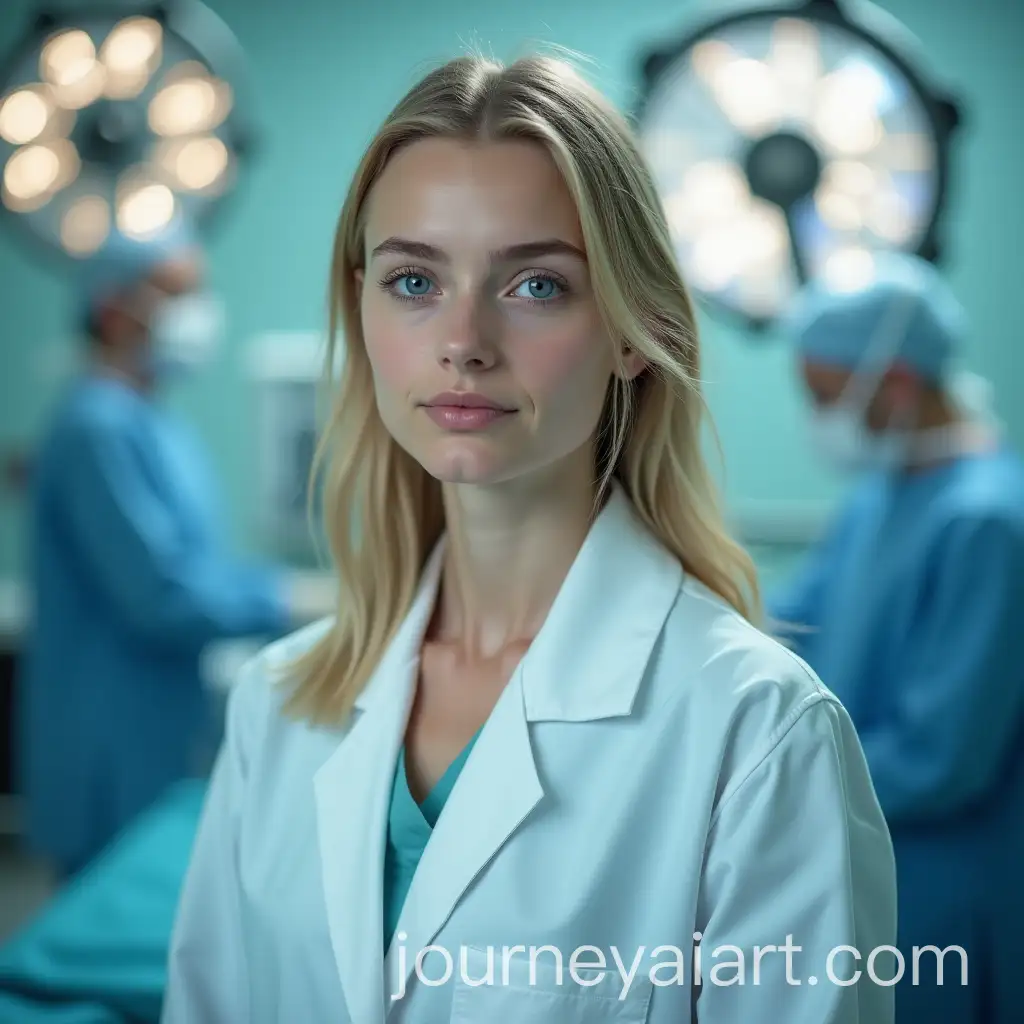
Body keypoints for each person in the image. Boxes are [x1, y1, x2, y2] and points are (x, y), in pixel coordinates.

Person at [162, 55, 896, 1022]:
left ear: (636, 329)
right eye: (415, 279)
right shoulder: (281, 706)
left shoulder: (757, 734)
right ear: (361, 308)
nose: (462, 339)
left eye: (538, 286)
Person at [770, 253, 1024, 1024]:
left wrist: (772, 783)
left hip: (944, 891)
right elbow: (788, 631)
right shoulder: (878, 498)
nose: (819, 420)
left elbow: (941, 759)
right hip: (865, 873)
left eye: (826, 397)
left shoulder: (986, 521)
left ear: (900, 383)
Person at [18, 218, 302, 880]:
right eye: (177, 293)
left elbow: (193, 567)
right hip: (109, 736)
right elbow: (160, 596)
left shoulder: (152, 420)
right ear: (114, 307)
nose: (197, 314)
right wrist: (288, 597)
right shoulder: (97, 427)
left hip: (160, 722)